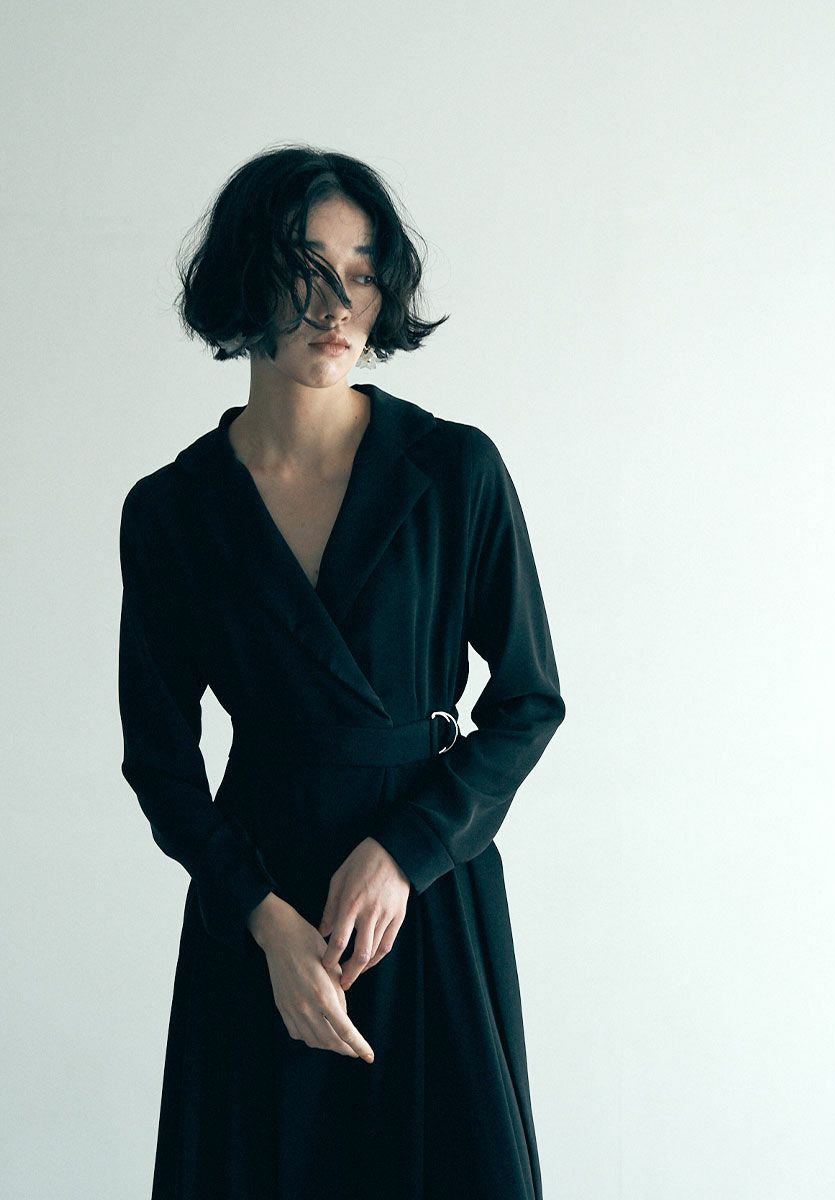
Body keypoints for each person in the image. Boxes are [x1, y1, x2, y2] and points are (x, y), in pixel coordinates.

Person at [116, 143, 566, 1199]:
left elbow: (527, 702)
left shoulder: (453, 470)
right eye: (305, 269)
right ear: (245, 278)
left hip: (425, 892)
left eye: (362, 274)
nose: (336, 305)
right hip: (258, 898)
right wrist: (262, 920)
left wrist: (407, 852)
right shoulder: (173, 509)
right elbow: (161, 762)